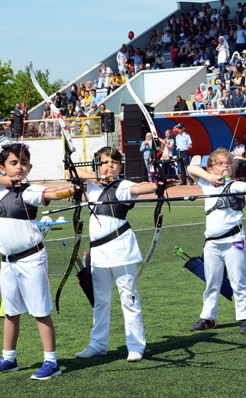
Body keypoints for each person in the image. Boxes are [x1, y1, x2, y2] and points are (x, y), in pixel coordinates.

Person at [0, 143, 75, 380]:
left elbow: (51, 193)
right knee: (11, 311)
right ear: (2, 167)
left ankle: (51, 362)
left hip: (31, 258)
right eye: (14, 163)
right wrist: (7, 182)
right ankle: (9, 359)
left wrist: (71, 190)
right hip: (7, 262)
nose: (20, 167)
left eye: (24, 163)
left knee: (40, 311)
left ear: (30, 167)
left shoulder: (29, 190)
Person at [74, 147, 166, 362]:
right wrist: (97, 178)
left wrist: (157, 185)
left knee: (130, 299)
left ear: (120, 167)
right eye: (105, 162)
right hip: (98, 254)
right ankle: (98, 344)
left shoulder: (122, 186)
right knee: (100, 301)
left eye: (114, 162)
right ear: (97, 166)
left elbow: (140, 188)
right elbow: (75, 174)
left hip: (121, 251)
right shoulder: (92, 185)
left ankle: (135, 346)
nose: (109, 166)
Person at [187, 148, 246, 333]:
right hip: (212, 244)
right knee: (212, 283)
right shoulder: (206, 185)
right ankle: (208, 318)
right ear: (211, 167)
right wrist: (211, 178)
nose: (226, 167)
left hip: (233, 242)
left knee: (238, 282)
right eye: (221, 163)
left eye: (228, 163)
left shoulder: (235, 185)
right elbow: (191, 168)